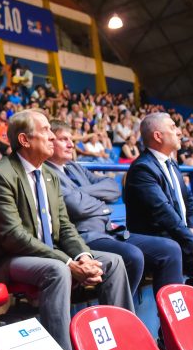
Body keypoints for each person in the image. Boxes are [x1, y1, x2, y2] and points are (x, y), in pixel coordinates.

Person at [0, 110, 133, 350]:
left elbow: (65, 226)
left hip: (47, 253)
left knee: (113, 262)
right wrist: (68, 262)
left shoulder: (48, 175)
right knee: (58, 270)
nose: (52, 137)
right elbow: (13, 237)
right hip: (8, 259)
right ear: (24, 140)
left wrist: (83, 257)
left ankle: (123, 346)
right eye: (45, 130)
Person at [47, 120, 183, 298]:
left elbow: (113, 188)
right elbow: (75, 206)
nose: (71, 144)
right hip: (83, 237)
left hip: (109, 232)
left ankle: (168, 313)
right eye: (63, 139)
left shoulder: (74, 167)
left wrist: (80, 193)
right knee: (132, 256)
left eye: (71, 139)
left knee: (170, 249)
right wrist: (99, 201)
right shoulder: (45, 172)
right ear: (50, 141)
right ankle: (117, 311)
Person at [124, 113, 193, 300]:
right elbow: (163, 213)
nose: (179, 132)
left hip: (179, 237)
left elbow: (190, 200)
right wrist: (192, 242)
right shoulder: (142, 169)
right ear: (158, 136)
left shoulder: (170, 163)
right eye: (172, 127)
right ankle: (183, 316)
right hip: (161, 241)